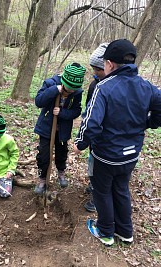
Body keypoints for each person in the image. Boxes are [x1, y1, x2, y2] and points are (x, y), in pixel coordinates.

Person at [73, 39, 161, 246]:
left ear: (110, 64)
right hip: (131, 155)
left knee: (102, 191)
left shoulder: (103, 87)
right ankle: (125, 232)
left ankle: (105, 232)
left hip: (105, 155)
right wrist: (148, 123)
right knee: (121, 189)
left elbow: (91, 123)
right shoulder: (147, 86)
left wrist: (80, 143)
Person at [34, 62, 86, 195]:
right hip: (46, 127)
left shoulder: (77, 92)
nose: (71, 92)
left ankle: (61, 171)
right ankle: (42, 178)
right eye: (69, 89)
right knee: (44, 154)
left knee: (62, 152)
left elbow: (77, 111)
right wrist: (54, 91)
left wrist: (62, 113)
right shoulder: (50, 84)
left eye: (74, 90)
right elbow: (39, 101)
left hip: (63, 129)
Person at [84, 43, 109, 212]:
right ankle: (94, 186)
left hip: (106, 137)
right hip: (94, 135)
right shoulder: (95, 84)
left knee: (102, 169)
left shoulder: (110, 88)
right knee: (92, 162)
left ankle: (98, 197)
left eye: (97, 70)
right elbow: (89, 109)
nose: (94, 73)